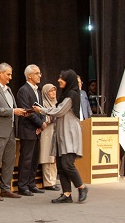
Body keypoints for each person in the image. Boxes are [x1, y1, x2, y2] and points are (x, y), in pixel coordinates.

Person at [34, 70, 88, 203]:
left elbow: (59, 111)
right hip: (61, 135)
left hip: (69, 135)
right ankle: (66, 194)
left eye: (62, 78)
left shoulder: (71, 95)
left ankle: (82, 187)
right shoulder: (66, 94)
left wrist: (41, 110)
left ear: (68, 80)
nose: (59, 80)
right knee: (61, 165)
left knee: (67, 164)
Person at [0, 63, 27, 201]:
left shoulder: (8, 90)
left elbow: (11, 108)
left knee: (9, 161)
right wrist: (13, 111)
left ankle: (6, 189)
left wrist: (20, 112)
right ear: (0, 73)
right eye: (8, 74)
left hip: (10, 130)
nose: (10, 77)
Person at [16, 64, 46, 196]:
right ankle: (22, 186)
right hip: (27, 129)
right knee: (26, 159)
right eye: (37, 73)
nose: (40, 75)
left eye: (39, 73)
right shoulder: (23, 90)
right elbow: (27, 111)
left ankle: (31, 183)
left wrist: (41, 123)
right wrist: (40, 123)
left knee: (34, 159)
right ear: (29, 75)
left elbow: (41, 109)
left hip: (37, 130)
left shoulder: (38, 91)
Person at [38, 83, 59, 191]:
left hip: (55, 132)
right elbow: (44, 119)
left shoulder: (56, 103)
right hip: (47, 133)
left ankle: (54, 180)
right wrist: (53, 117)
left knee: (54, 158)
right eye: (51, 91)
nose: (53, 93)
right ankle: (48, 182)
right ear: (45, 93)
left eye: (54, 90)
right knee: (47, 157)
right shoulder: (43, 103)